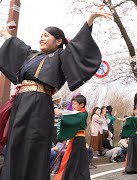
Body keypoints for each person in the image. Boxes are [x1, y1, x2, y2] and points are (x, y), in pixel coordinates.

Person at [0, 6, 112, 180]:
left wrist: (90, 19)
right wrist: (6, 33)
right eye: (41, 35)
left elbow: (77, 45)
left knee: (34, 144)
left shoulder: (61, 56)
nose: (42, 38)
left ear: (58, 41)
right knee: (15, 143)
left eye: (46, 35)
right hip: (21, 103)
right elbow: (17, 46)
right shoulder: (31, 55)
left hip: (39, 104)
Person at [54, 94, 90, 180]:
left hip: (79, 140)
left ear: (81, 105)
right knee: (74, 160)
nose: (72, 106)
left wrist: (60, 113)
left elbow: (70, 118)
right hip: (76, 139)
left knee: (74, 160)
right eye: (72, 103)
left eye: (74, 104)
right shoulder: (78, 113)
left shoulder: (83, 113)